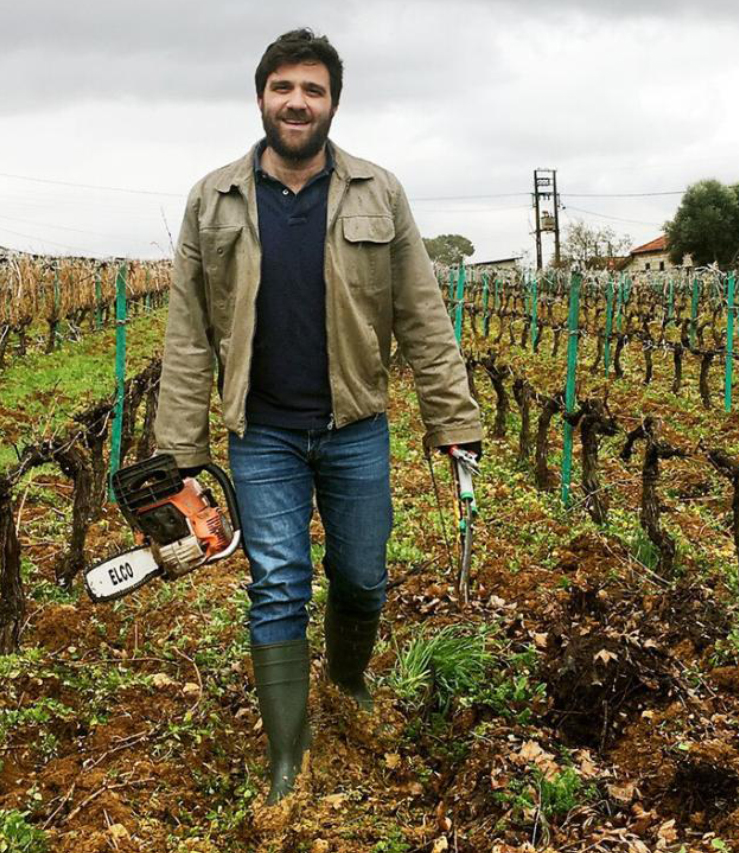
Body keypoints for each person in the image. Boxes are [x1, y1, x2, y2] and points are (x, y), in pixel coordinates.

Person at [154, 28, 481, 804]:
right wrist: (179, 450)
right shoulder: (214, 197)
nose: (297, 102)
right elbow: (188, 328)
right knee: (278, 583)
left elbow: (422, 314)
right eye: (283, 88)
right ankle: (286, 758)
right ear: (261, 97)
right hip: (260, 431)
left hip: (355, 425)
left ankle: (346, 677)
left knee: (362, 576)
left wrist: (453, 418)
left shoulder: (379, 192)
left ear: (333, 103)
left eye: (313, 89)